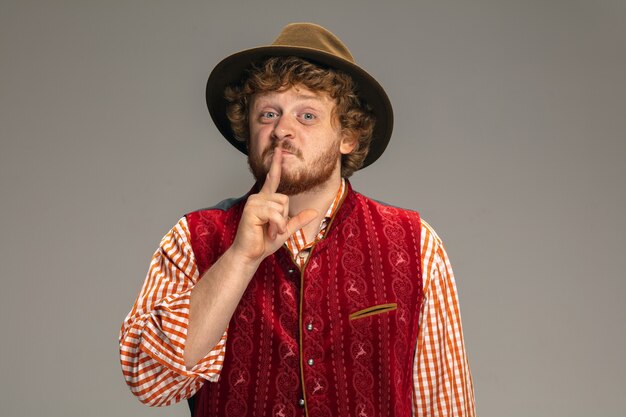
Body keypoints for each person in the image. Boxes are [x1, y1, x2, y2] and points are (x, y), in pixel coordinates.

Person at [119, 23, 475, 417]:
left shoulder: (416, 245)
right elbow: (150, 380)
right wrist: (239, 259)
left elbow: (446, 405)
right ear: (248, 131)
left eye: (307, 115)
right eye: (268, 113)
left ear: (348, 136)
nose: (282, 130)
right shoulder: (192, 239)